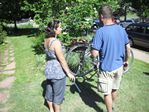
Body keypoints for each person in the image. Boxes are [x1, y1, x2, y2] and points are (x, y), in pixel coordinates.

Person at [91, 5, 130, 112]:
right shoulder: (120, 29)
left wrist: (92, 50)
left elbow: (94, 54)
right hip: (119, 67)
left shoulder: (100, 32)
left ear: (102, 16)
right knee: (114, 88)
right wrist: (126, 61)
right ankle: (111, 106)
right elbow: (128, 48)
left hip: (107, 68)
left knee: (106, 93)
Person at [44, 20, 75, 112]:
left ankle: (51, 109)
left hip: (49, 70)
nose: (61, 29)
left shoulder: (46, 40)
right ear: (54, 29)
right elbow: (61, 60)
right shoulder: (56, 42)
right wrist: (68, 73)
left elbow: (49, 55)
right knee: (58, 96)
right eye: (60, 27)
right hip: (57, 72)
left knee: (49, 92)